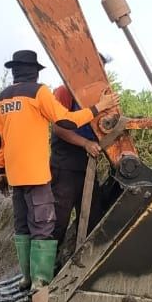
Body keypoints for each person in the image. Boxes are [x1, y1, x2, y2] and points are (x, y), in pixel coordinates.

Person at [0, 49, 118, 293]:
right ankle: (41, 283)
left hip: (18, 175)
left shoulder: (2, 98)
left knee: (27, 224)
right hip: (45, 171)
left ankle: (31, 278)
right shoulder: (44, 93)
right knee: (48, 224)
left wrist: (0, 170)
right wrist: (97, 108)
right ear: (35, 72)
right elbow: (64, 123)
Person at [51, 82, 104, 256]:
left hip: (86, 164)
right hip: (65, 165)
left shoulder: (100, 96)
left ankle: (86, 261)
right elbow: (59, 127)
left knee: (92, 216)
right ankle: (44, 270)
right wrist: (86, 143)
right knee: (58, 219)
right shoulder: (64, 91)